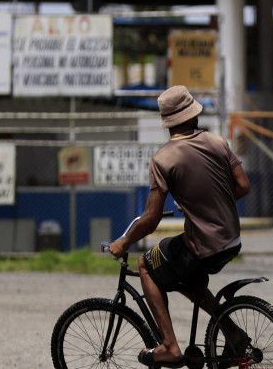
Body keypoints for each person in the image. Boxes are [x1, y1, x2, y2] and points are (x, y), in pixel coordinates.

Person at [108, 86, 251, 368]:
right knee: (184, 276)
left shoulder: (163, 159)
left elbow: (151, 218)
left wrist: (124, 242)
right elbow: (243, 186)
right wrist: (203, 206)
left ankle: (170, 347)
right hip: (232, 241)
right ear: (194, 115)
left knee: (147, 264)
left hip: (203, 246)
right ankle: (233, 334)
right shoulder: (218, 142)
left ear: (167, 122)